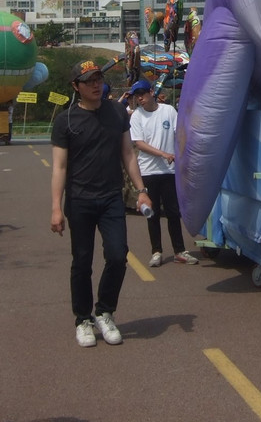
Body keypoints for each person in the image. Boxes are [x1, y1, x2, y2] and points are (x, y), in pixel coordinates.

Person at [50, 60, 153, 348]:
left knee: (118, 255)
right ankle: (83, 319)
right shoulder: (66, 120)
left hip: (111, 198)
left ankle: (105, 311)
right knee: (82, 262)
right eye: (89, 80)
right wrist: (56, 208)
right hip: (80, 200)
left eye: (98, 79)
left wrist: (141, 189)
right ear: (76, 86)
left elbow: (128, 154)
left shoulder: (117, 112)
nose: (96, 84)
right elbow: (59, 167)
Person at [127, 79, 198, 267]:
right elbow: (139, 143)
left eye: (142, 94)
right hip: (148, 171)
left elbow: (179, 133)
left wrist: (183, 155)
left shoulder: (168, 111)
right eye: (136, 96)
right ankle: (156, 251)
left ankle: (179, 251)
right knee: (153, 213)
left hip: (169, 170)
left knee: (173, 212)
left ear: (152, 92)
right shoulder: (137, 117)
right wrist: (163, 154)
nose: (140, 99)